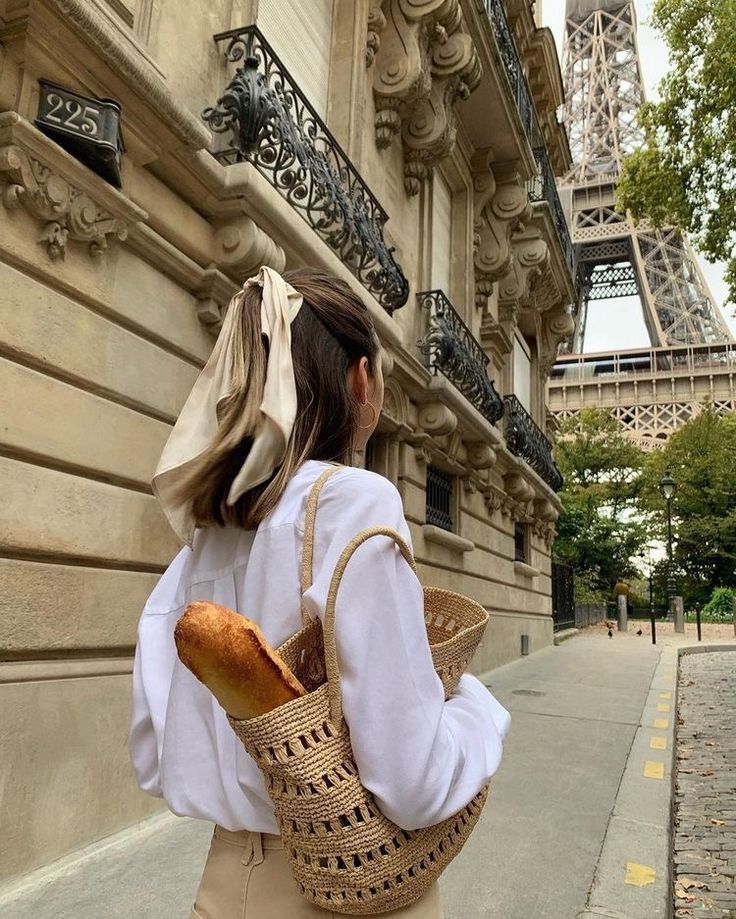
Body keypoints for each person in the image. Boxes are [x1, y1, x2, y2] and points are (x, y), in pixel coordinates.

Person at [129, 266, 511, 919]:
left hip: (227, 884)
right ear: (360, 379)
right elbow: (413, 781)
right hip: (347, 887)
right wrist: (478, 709)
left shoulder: (207, 538)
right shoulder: (354, 504)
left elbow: (151, 753)